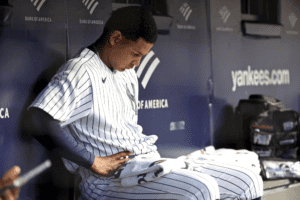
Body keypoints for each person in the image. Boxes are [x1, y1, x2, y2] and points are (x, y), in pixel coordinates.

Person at [27, 6, 263, 200]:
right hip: (108, 181)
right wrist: (92, 161)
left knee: (248, 181)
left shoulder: (126, 71)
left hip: (146, 164)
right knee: (201, 189)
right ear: (116, 38)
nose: (137, 63)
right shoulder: (80, 70)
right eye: (135, 54)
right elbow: (38, 118)